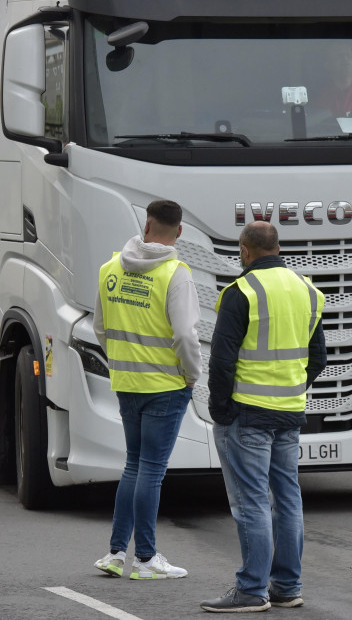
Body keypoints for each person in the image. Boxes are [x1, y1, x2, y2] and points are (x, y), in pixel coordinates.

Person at [201, 221, 326, 613]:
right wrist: (290, 389)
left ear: (245, 250)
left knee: (251, 502)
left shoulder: (242, 293)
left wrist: (221, 409)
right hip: (289, 413)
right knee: (287, 500)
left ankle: (252, 590)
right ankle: (287, 587)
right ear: (277, 247)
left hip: (247, 415)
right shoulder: (308, 291)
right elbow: (318, 358)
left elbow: (222, 359)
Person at [93, 199, 202, 580]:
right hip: (165, 385)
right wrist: (192, 374)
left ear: (146, 225)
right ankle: (146, 559)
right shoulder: (175, 274)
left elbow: (100, 329)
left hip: (126, 382)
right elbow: (186, 334)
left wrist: (122, 363)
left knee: (133, 466)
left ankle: (115, 553)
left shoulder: (110, 269)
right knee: (152, 471)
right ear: (180, 231)